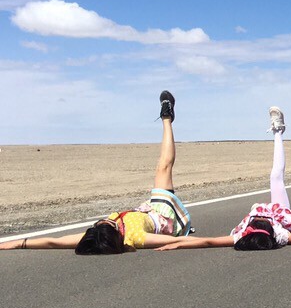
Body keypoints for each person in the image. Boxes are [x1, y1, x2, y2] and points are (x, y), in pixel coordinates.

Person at [1, 91, 193, 253]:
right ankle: (167, 118)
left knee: (162, 167)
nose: (102, 221)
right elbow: (184, 242)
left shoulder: (97, 236)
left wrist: (19, 243)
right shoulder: (136, 238)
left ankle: (166, 117)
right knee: (163, 167)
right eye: (106, 223)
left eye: (97, 224)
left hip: (148, 209)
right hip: (165, 215)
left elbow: (54, 242)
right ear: (117, 234)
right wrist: (222, 240)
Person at [158, 107, 291, 251]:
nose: (257, 217)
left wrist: (176, 244)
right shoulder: (281, 233)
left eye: (254, 221)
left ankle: (278, 132)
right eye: (258, 220)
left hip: (268, 223)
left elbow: (207, 241)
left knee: (275, 177)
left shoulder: (241, 234)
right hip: (281, 215)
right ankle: (279, 131)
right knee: (276, 177)